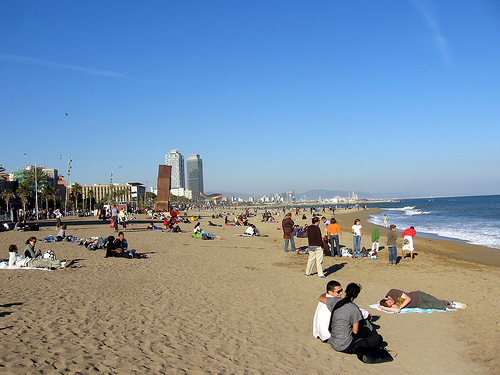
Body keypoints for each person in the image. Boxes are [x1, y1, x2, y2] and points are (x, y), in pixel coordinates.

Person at [328, 283, 384, 355]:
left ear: (345, 292)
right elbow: (355, 331)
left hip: (333, 342)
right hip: (345, 345)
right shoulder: (354, 309)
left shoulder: (336, 302)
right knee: (378, 338)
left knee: (365, 330)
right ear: (356, 295)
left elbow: (321, 297)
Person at [379, 289, 466, 312]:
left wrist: (400, 307)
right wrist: (386, 308)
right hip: (418, 304)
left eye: (390, 301)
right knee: (435, 306)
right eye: (391, 304)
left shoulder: (393, 292)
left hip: (418, 296)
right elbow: (396, 310)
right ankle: (452, 306)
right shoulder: (390, 305)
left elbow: (408, 299)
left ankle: (451, 302)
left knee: (436, 301)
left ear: (386, 298)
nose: (392, 302)